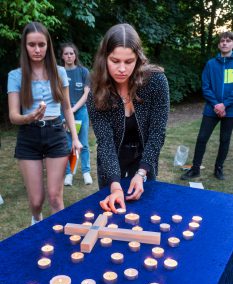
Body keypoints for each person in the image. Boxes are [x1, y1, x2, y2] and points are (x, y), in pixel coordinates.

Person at [87, 23, 169, 213]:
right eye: (115, 61)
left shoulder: (156, 82)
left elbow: (157, 132)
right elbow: (105, 141)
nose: (122, 69)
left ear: (138, 59)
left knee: (145, 211)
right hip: (111, 158)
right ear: (104, 58)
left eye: (129, 61)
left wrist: (141, 173)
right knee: (112, 212)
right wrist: (115, 185)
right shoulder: (96, 90)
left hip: (144, 157)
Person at [7, 22, 82, 225]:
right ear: (25, 46)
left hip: (56, 133)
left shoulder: (59, 72)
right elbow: (13, 116)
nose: (37, 49)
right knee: (36, 201)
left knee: (56, 197)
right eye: (32, 45)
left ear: (48, 45)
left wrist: (74, 138)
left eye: (41, 44)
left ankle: (63, 243)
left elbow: (66, 107)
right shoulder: (15, 76)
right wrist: (29, 117)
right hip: (28, 136)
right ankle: (36, 221)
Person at [181, 31, 233, 181]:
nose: (225, 43)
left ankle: (218, 169)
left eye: (228, 41)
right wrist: (217, 104)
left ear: (232, 44)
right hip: (211, 108)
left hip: (230, 110)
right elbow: (206, 87)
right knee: (202, 138)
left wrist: (225, 105)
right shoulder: (211, 64)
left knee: (225, 140)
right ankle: (195, 169)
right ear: (218, 45)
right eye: (222, 41)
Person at [60, 43, 93, 186]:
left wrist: (72, 111)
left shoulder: (84, 71)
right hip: (64, 113)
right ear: (62, 56)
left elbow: (86, 94)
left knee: (83, 143)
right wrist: (66, 113)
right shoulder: (59, 72)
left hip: (80, 112)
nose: (69, 56)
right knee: (68, 144)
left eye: (71, 53)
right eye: (66, 53)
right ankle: (69, 173)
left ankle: (86, 172)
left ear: (75, 55)